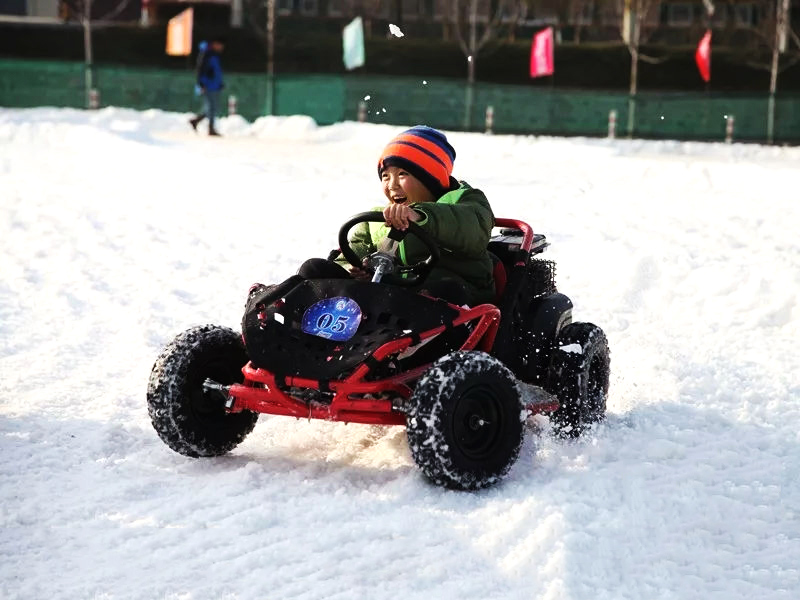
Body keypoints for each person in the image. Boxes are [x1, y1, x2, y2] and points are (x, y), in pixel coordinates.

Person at [299, 125, 496, 307]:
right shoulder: (375, 220)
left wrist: (420, 215)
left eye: (402, 174)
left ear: (431, 179)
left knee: (443, 287)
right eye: (385, 176)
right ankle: (292, 330)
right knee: (314, 270)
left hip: (451, 295)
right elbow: (350, 254)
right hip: (389, 300)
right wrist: (355, 269)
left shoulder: (465, 200)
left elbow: (472, 228)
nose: (392, 185)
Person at [189, 37, 225, 137]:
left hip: (215, 85)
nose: (221, 47)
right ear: (215, 43)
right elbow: (200, 70)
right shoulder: (206, 54)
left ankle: (196, 121)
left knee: (212, 107)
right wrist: (201, 84)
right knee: (211, 107)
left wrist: (220, 83)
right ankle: (211, 128)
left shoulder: (214, 55)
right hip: (208, 85)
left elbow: (216, 71)